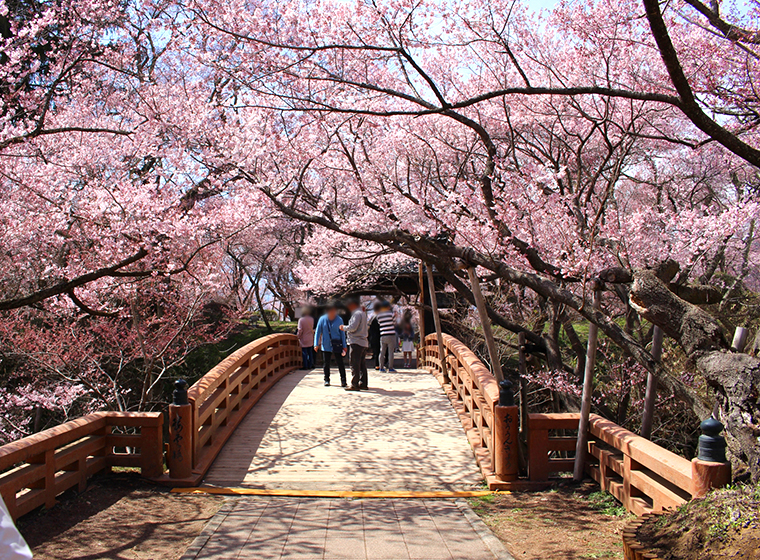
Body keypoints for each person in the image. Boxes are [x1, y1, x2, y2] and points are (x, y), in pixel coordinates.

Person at [314, 303, 347, 387]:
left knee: (340, 362)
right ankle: (326, 379)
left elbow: (342, 333)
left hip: (337, 344)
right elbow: (318, 332)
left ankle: (343, 380)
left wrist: (344, 345)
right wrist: (316, 344)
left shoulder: (339, 319)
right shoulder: (322, 319)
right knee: (326, 363)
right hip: (326, 344)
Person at [340, 297, 368, 391]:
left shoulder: (356, 314)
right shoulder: (363, 314)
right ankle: (363, 383)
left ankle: (354, 384)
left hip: (356, 341)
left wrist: (344, 327)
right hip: (363, 342)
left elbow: (353, 327)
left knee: (354, 363)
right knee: (362, 364)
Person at [376, 301, 397, 372]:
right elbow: (394, 322)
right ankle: (390, 368)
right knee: (390, 352)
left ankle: (381, 367)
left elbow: (379, 323)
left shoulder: (378, 315)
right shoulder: (391, 314)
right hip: (391, 334)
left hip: (383, 335)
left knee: (382, 352)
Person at [368, 301, 382, 370]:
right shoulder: (378, 317)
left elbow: (370, 328)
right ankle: (380, 364)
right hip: (379, 336)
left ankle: (377, 364)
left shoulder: (372, 317)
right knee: (380, 351)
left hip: (374, 337)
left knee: (377, 351)